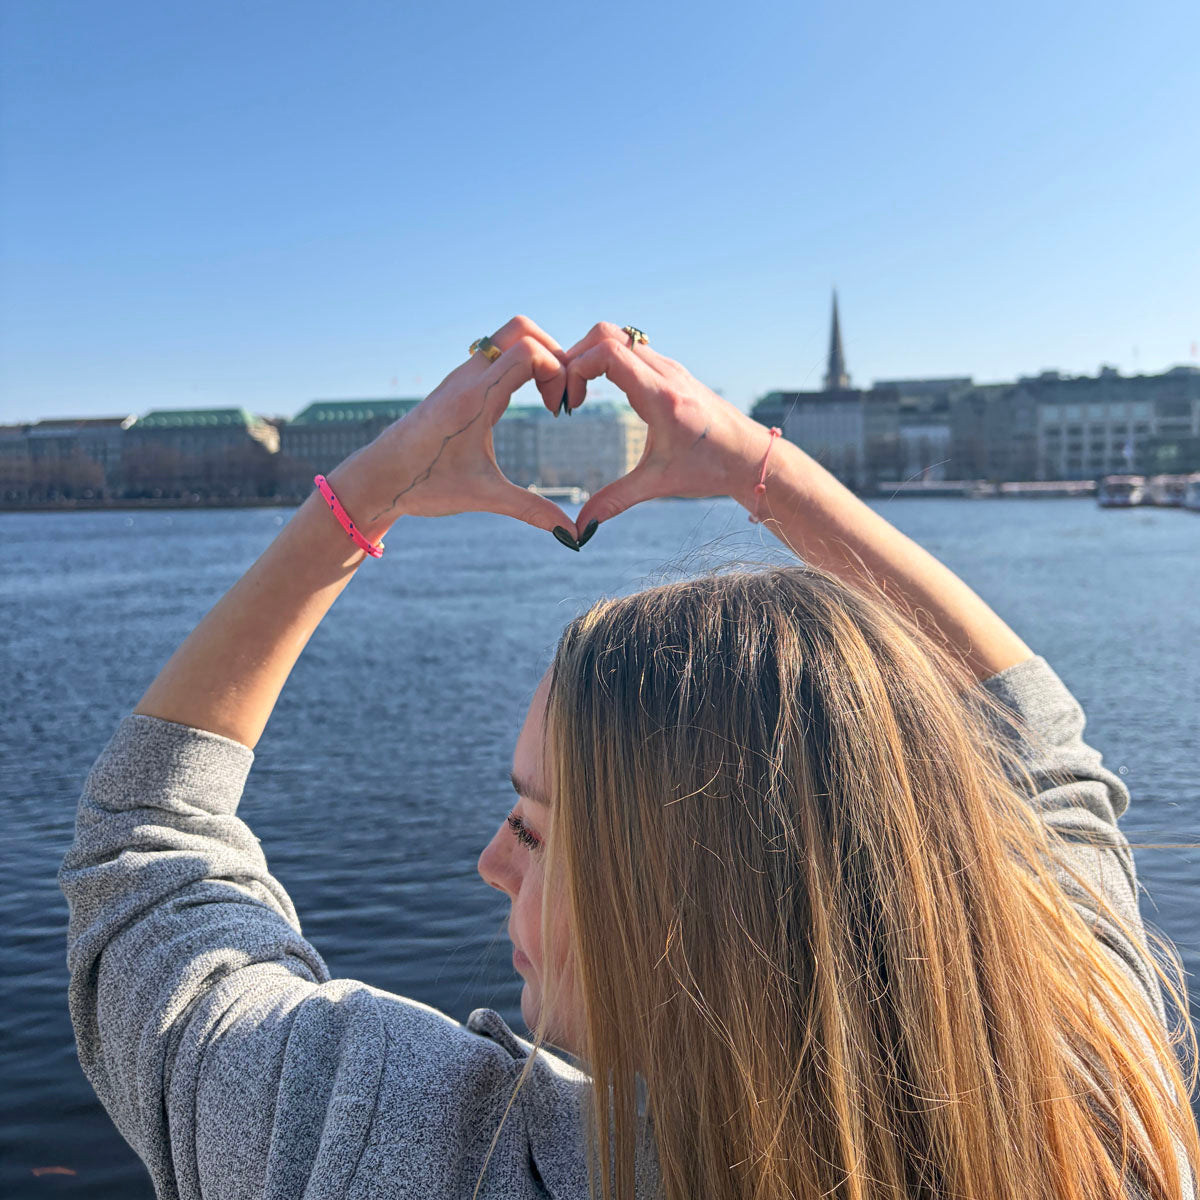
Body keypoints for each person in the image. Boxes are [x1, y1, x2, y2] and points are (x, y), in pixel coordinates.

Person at [59, 316, 1199, 1200]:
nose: (489, 864)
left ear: (678, 909)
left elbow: (145, 853)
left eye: (538, 825)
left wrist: (372, 492)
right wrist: (762, 467)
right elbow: (1038, 751)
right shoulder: (1086, 1092)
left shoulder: (398, 1146)